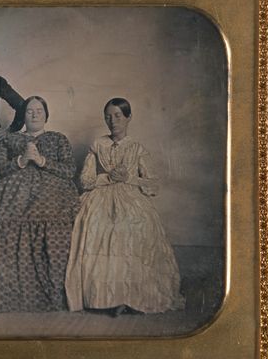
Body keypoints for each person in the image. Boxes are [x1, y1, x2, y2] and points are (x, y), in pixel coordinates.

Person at [65, 98, 185, 316]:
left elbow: (153, 185)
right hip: (101, 196)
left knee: (133, 226)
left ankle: (130, 296)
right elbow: (85, 181)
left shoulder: (137, 148)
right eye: (108, 117)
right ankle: (105, 297)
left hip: (130, 198)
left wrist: (129, 178)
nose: (113, 121)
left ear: (129, 118)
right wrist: (108, 177)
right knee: (96, 225)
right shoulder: (98, 145)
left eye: (118, 116)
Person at [0, 96, 79, 312]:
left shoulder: (58, 139)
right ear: (23, 116)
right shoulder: (10, 140)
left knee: (55, 221)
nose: (35, 115)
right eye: (30, 111)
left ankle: (53, 297)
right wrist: (20, 161)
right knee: (6, 218)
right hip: (15, 196)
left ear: (46, 115)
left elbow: (70, 170)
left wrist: (42, 161)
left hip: (52, 196)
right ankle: (13, 298)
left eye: (39, 111)